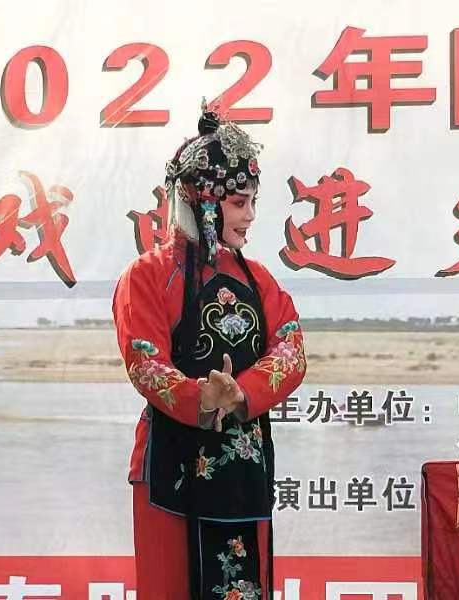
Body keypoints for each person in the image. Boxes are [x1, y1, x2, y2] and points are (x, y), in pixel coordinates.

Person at [112, 103, 306, 600]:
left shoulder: (259, 278)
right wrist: (200, 396)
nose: (251, 215)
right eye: (240, 202)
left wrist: (242, 393)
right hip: (170, 466)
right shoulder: (148, 275)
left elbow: (290, 349)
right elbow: (145, 361)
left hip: (243, 467)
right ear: (204, 201)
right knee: (171, 587)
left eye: (253, 201)